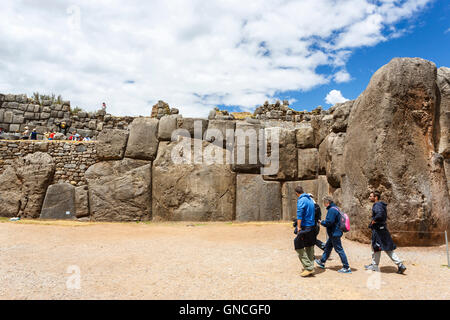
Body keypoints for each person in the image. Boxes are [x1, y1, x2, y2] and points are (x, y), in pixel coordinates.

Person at [365, 191, 406, 274]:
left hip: (378, 231)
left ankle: (399, 264)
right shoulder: (381, 205)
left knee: (378, 247)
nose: (369, 198)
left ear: (376, 197)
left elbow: (380, 214)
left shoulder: (377, 205)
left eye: (371, 196)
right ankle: (376, 265)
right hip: (383, 229)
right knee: (380, 248)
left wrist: (374, 220)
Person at [315, 196, 352, 274]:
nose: (324, 204)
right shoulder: (336, 208)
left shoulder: (332, 210)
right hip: (334, 233)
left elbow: (329, 222)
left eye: (324, 203)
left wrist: (321, 222)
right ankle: (322, 262)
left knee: (339, 249)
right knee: (328, 247)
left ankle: (346, 267)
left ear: (327, 203)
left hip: (334, 233)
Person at [294, 186, 316, 277]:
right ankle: (311, 266)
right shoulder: (310, 199)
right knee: (309, 245)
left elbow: (299, 214)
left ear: (296, 193)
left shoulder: (301, 200)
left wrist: (298, 227)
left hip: (305, 227)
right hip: (312, 226)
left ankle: (308, 267)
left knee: (297, 244)